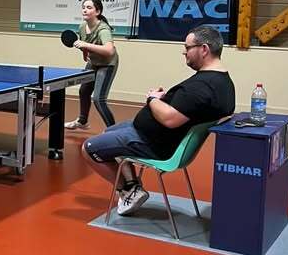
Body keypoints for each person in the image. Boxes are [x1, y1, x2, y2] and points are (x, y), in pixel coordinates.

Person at [82, 25, 235, 217]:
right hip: (153, 135)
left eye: (187, 48)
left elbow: (170, 119)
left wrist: (152, 99)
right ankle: (133, 185)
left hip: (154, 144)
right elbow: (189, 106)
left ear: (204, 49)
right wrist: (167, 98)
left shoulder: (202, 87)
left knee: (88, 148)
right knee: (109, 131)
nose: (184, 52)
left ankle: (128, 190)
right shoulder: (222, 82)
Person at [64, 0, 118, 130]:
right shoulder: (82, 26)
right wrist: (84, 52)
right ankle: (82, 122)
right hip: (93, 62)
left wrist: (86, 45)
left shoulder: (103, 29)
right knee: (84, 91)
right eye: (83, 7)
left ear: (97, 12)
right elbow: (84, 44)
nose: (85, 10)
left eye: (89, 8)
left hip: (107, 64)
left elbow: (109, 51)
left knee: (99, 99)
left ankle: (113, 130)